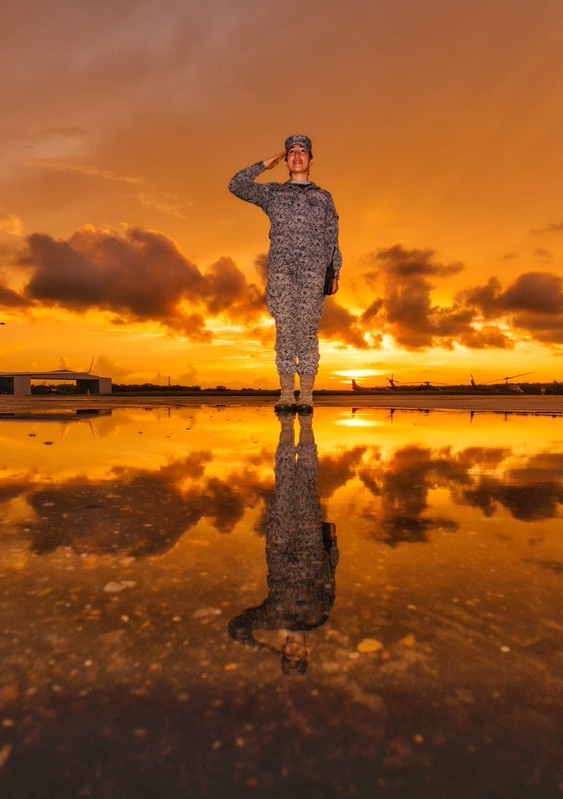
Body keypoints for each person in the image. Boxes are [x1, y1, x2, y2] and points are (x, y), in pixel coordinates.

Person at [229, 134, 342, 413]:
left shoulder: (323, 197)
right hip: (282, 270)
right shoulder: (274, 194)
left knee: (307, 331)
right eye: (292, 151)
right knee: (285, 332)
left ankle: (305, 395)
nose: (297, 155)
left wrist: (335, 269)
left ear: (311, 160)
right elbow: (237, 185)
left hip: (313, 271)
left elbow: (332, 235)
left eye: (303, 151)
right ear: (286, 160)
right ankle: (285, 394)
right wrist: (265, 164)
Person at [228, 412, 338, 675]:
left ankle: (288, 426)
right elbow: (330, 580)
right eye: (298, 657)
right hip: (311, 545)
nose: (294, 653)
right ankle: (308, 426)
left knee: (285, 476)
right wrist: (332, 544)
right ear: (306, 652)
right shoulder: (319, 617)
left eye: (288, 656)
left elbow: (237, 629)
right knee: (308, 481)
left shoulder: (272, 619)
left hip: (280, 542)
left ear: (285, 650)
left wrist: (265, 649)